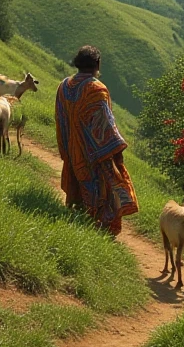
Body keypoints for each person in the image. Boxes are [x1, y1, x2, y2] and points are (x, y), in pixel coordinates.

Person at [55, 45, 138, 236]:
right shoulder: (96, 88)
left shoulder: (64, 85)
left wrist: (67, 148)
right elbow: (105, 125)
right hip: (93, 155)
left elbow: (60, 119)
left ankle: (79, 224)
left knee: (78, 191)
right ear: (97, 64)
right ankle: (98, 232)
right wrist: (117, 152)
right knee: (102, 192)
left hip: (72, 151)